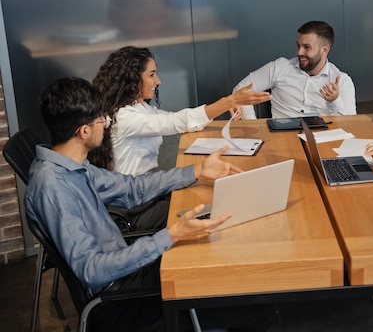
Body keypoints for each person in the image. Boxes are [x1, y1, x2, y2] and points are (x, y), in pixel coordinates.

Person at [25, 77, 274, 332]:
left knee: (227, 274)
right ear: (84, 131)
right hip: (123, 304)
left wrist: (197, 170)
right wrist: (171, 235)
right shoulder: (54, 188)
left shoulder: (74, 168)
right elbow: (93, 270)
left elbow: (133, 188)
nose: (108, 124)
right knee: (256, 308)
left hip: (132, 275)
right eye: (102, 119)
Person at [88, 45, 271, 176]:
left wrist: (224, 105)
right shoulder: (125, 117)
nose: (158, 81)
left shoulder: (138, 108)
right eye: (151, 75)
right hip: (133, 195)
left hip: (144, 184)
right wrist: (228, 101)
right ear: (132, 80)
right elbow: (175, 122)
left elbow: (179, 121)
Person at [233, 20, 356, 119]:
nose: (299, 52)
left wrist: (334, 101)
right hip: (280, 140)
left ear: (324, 50)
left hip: (322, 141)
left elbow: (352, 125)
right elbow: (240, 90)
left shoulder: (342, 81)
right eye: (298, 45)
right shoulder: (280, 67)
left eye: (306, 47)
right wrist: (253, 124)